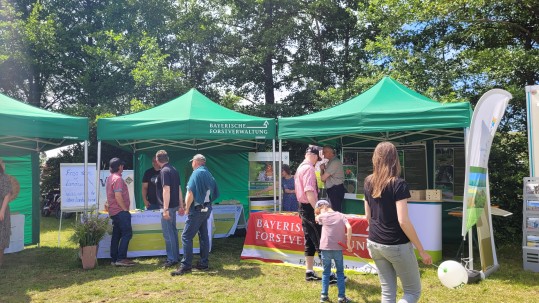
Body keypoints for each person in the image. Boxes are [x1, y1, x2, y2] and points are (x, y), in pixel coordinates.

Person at [364, 142, 432, 303]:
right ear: (394, 159)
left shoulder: (368, 181)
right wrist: (421, 250)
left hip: (374, 242)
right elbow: (403, 221)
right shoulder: (398, 184)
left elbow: (367, 216)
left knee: (388, 293)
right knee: (412, 292)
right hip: (395, 244)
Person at [172, 154, 219, 276]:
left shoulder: (196, 173)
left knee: (186, 236)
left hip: (197, 209)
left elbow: (190, 192)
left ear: (196, 162)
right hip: (206, 207)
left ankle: (186, 265)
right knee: (203, 236)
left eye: (192, 161)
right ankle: (204, 263)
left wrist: (187, 208)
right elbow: (214, 189)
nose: (192, 164)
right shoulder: (208, 173)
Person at [295, 145, 323, 281]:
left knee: (310, 240)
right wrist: (317, 210)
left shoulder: (300, 167)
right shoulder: (309, 169)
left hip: (302, 207)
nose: (317, 162)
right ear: (315, 156)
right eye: (317, 159)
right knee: (320, 241)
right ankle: (328, 275)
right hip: (309, 208)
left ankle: (309, 272)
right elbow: (309, 191)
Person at [315, 200, 352, 303]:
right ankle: (341, 297)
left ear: (323, 207)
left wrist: (319, 215)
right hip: (338, 249)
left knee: (326, 272)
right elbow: (349, 227)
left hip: (325, 248)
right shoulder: (341, 215)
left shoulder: (322, 216)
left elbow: (317, 218)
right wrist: (348, 244)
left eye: (319, 209)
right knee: (340, 272)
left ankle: (324, 296)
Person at [155, 150, 184, 268]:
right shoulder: (174, 169)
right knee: (172, 231)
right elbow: (179, 188)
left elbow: (166, 189)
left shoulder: (164, 171)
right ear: (167, 158)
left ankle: (172, 258)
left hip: (167, 207)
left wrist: (165, 209)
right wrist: (181, 205)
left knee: (168, 233)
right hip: (174, 205)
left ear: (157, 160)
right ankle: (175, 256)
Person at [106, 157, 135, 267]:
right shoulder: (118, 179)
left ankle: (114, 259)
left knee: (116, 235)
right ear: (119, 167)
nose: (123, 167)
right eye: (122, 165)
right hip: (120, 211)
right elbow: (118, 196)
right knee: (127, 233)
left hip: (114, 211)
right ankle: (121, 258)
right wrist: (125, 209)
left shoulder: (110, 178)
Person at [320, 145, 345, 212]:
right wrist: (322, 169)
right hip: (334, 189)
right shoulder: (330, 162)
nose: (323, 154)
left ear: (329, 153)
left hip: (335, 189)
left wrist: (322, 170)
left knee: (335, 212)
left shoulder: (334, 162)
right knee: (333, 211)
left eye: (324, 152)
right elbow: (324, 179)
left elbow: (323, 178)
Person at [0, 159, 13, 267]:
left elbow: (7, 195)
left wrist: (2, 211)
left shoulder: (3, 178)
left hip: (1, 210)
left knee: (2, 235)